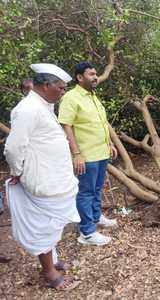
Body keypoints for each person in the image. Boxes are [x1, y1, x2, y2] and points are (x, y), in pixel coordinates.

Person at [4, 63, 80, 290]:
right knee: (43, 226)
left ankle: (53, 261)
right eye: (61, 88)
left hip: (55, 178)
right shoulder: (27, 109)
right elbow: (13, 148)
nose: (63, 92)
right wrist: (17, 172)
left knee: (53, 224)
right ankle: (49, 272)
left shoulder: (43, 106)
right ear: (46, 86)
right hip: (42, 180)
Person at [58, 62, 118, 246]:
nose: (95, 77)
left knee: (97, 188)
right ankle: (87, 232)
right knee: (86, 192)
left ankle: (95, 216)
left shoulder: (93, 97)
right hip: (86, 155)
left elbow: (100, 123)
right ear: (79, 77)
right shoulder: (71, 98)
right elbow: (66, 125)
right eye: (91, 74)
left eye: (96, 73)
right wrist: (76, 153)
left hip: (101, 152)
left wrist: (110, 144)